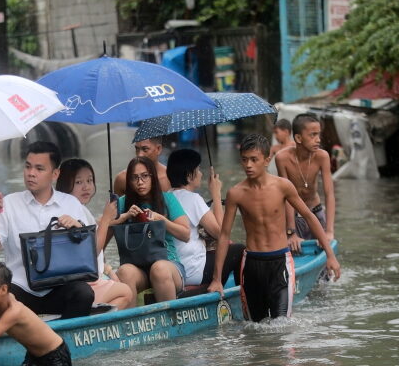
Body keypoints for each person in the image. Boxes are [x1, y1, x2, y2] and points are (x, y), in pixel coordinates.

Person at [207, 134, 341, 322]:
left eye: (254, 160)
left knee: (282, 325)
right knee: (255, 327)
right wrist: (217, 279)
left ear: (266, 160)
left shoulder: (283, 186)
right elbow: (224, 236)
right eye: (244, 160)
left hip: (280, 262)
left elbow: (310, 217)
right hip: (252, 264)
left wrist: (330, 255)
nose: (248, 165)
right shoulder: (236, 193)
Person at [0, 141, 94, 323]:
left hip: (59, 287)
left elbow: (87, 253)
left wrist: (77, 227)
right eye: (28, 167)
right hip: (20, 288)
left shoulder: (70, 203)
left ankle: (63, 342)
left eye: (39, 169)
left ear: (55, 174)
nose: (31, 173)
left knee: (84, 294)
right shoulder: (9, 203)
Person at [109, 156, 190, 302]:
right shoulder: (122, 203)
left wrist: (162, 220)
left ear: (153, 177)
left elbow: (186, 235)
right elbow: (102, 233)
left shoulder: (167, 199)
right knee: (124, 271)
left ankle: (169, 322)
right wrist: (123, 217)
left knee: (159, 269)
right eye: (135, 178)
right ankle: (130, 322)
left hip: (168, 265)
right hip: (137, 268)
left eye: (145, 176)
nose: (140, 182)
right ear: (129, 181)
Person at [56, 158, 134, 309]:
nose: (86, 187)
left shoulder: (81, 209)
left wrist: (108, 270)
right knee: (125, 292)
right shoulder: (69, 211)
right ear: (65, 184)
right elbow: (91, 251)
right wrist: (106, 218)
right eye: (78, 182)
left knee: (119, 284)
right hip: (81, 283)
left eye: (89, 180)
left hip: (90, 276)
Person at [167, 148, 245, 287]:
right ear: (189, 176)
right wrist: (216, 193)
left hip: (174, 268)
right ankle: (241, 294)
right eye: (198, 170)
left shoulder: (167, 196)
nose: (201, 174)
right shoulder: (192, 199)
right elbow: (221, 233)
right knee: (239, 250)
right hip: (193, 270)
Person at [274, 113, 336, 252]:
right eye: (313, 135)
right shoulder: (282, 158)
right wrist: (291, 232)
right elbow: (286, 197)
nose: (318, 140)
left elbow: (329, 194)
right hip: (294, 217)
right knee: (295, 253)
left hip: (316, 212)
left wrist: (329, 231)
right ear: (298, 138)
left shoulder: (322, 156)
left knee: (325, 256)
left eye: (318, 135)